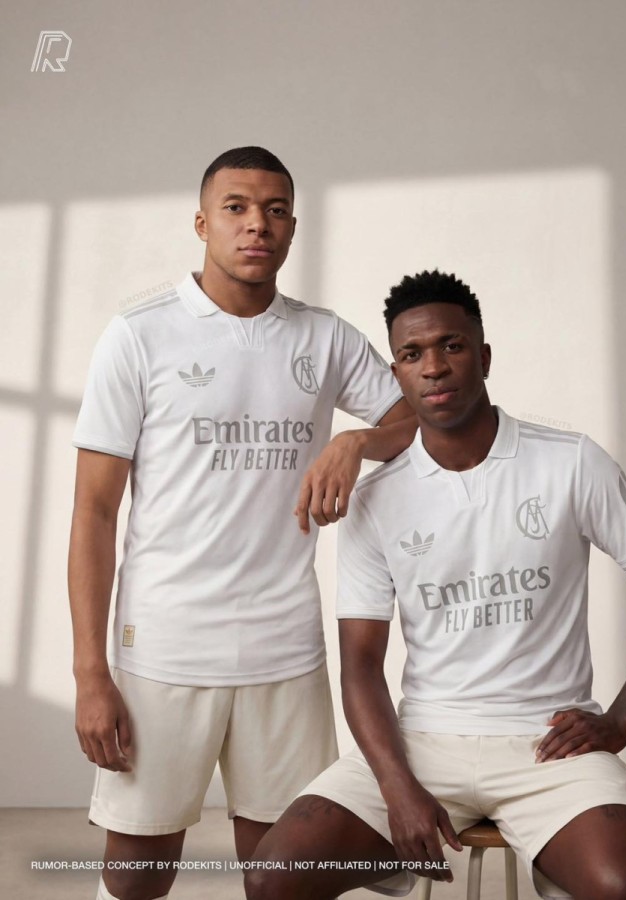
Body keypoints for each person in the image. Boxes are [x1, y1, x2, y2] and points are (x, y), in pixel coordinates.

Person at [245, 269, 626, 900]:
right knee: (274, 878)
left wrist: (621, 719)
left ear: (484, 356)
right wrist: (397, 787)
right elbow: (361, 667)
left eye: (451, 346)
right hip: (423, 742)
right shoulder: (376, 498)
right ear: (397, 375)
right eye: (412, 355)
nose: (433, 367)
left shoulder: (569, 461)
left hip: (548, 745)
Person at [68, 146, 415, 900]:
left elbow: (413, 416)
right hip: (165, 647)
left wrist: (356, 441)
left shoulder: (323, 337)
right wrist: (90, 673)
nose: (257, 223)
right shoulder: (140, 335)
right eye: (236, 207)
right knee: (137, 875)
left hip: (283, 646)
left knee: (282, 874)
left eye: (276, 210)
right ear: (202, 223)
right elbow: (94, 511)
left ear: (291, 227)